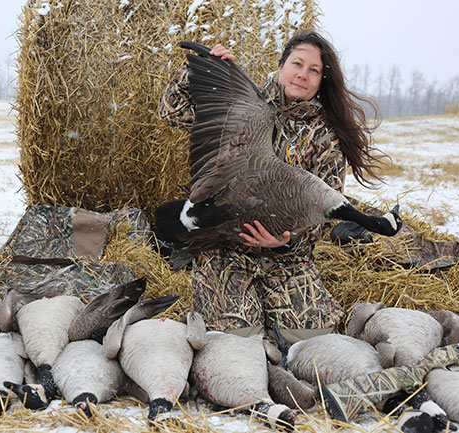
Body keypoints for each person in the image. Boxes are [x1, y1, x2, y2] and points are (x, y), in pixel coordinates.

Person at [157, 29, 386, 343]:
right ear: (281, 67)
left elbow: (326, 215)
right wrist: (204, 68)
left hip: (286, 254)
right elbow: (172, 112)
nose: (303, 75)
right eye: (297, 64)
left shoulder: (324, 137)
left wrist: (284, 242)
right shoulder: (241, 101)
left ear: (322, 81)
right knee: (235, 340)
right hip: (225, 244)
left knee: (310, 338)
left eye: (314, 70)